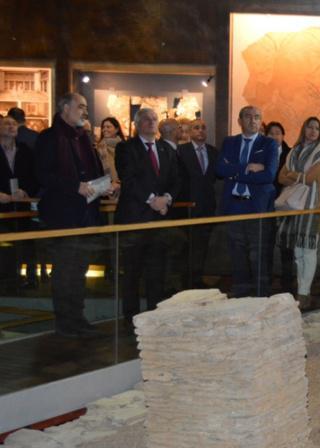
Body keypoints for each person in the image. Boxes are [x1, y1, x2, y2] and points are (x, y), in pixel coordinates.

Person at [35, 93, 116, 337]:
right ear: (65, 108)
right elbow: (42, 175)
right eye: (80, 106)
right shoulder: (49, 138)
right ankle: (65, 322)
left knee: (79, 270)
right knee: (65, 271)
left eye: (86, 107)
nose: (85, 112)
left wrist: (104, 187)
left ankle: (77, 318)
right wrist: (75, 187)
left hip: (85, 215)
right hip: (62, 216)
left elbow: (90, 174)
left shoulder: (84, 138)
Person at [114, 108, 181, 327]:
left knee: (157, 272)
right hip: (134, 220)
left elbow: (176, 179)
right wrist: (152, 199)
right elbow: (128, 178)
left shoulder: (165, 148)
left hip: (159, 221)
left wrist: (167, 198)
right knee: (132, 273)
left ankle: (154, 317)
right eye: (146, 119)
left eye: (154, 119)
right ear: (136, 124)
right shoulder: (126, 148)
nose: (151, 122)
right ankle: (130, 319)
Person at [216, 106, 278, 298]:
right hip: (234, 205)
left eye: (257, 117)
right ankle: (241, 295)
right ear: (240, 121)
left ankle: (261, 296)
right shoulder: (229, 142)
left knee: (258, 254)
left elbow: (268, 176)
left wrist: (234, 172)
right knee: (237, 254)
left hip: (257, 206)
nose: (253, 120)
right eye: (248, 117)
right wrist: (247, 168)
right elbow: (220, 170)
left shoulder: (269, 143)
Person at [276, 116, 320, 309]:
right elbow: (280, 178)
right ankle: (301, 290)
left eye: (316, 128)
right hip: (292, 205)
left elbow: (310, 178)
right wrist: (298, 176)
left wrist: (292, 175)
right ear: (304, 129)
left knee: (309, 249)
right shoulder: (293, 151)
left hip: (311, 204)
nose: (313, 131)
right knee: (298, 250)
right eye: (310, 127)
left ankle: (305, 292)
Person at [176, 118, 219, 288]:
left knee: (202, 246)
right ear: (190, 132)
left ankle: (197, 280)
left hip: (207, 206)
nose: (200, 130)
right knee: (185, 247)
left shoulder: (213, 151)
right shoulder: (181, 150)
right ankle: (184, 283)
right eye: (196, 128)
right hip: (187, 207)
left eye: (203, 127)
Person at [0, 115, 38, 289]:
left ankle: (30, 278)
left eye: (14, 124)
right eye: (7, 124)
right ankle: (8, 279)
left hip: (22, 205)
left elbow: (35, 176)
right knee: (6, 244)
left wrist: (25, 191)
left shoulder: (25, 151)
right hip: (2, 207)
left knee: (28, 242)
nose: (11, 127)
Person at [264, 120, 293, 293]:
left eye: (278, 133)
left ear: (283, 136)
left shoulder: (291, 154)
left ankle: (287, 281)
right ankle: (266, 279)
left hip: (286, 204)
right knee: (266, 243)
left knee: (286, 245)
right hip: (266, 205)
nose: (275, 136)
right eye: (271, 133)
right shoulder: (261, 152)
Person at [95, 116, 125, 182]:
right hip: (106, 185)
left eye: (108, 127)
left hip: (124, 184)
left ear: (116, 129)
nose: (105, 129)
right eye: (103, 127)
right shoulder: (98, 148)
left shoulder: (125, 148)